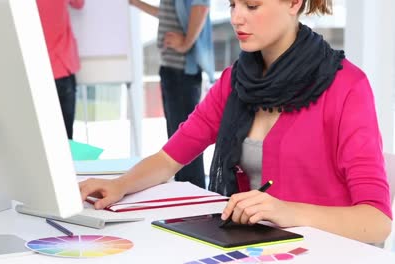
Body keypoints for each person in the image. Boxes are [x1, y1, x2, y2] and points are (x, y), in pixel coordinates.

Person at [79, 0, 392, 243]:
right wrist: (119, 185)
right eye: (232, 4)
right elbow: (168, 159)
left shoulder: (347, 86)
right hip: (255, 248)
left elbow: (377, 222)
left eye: (252, 6)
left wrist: (287, 211)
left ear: (294, 3)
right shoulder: (235, 82)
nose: (236, 18)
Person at [128, 0, 215, 188]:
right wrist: (137, 4)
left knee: (186, 141)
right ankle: (183, 193)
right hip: (170, 68)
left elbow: (201, 8)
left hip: (182, 70)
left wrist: (184, 44)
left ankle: (192, 197)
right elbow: (168, 14)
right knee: (177, 140)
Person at [36, 0, 84, 139]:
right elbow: (79, 4)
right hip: (62, 68)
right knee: (66, 139)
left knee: (41, 136)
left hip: (35, 72)